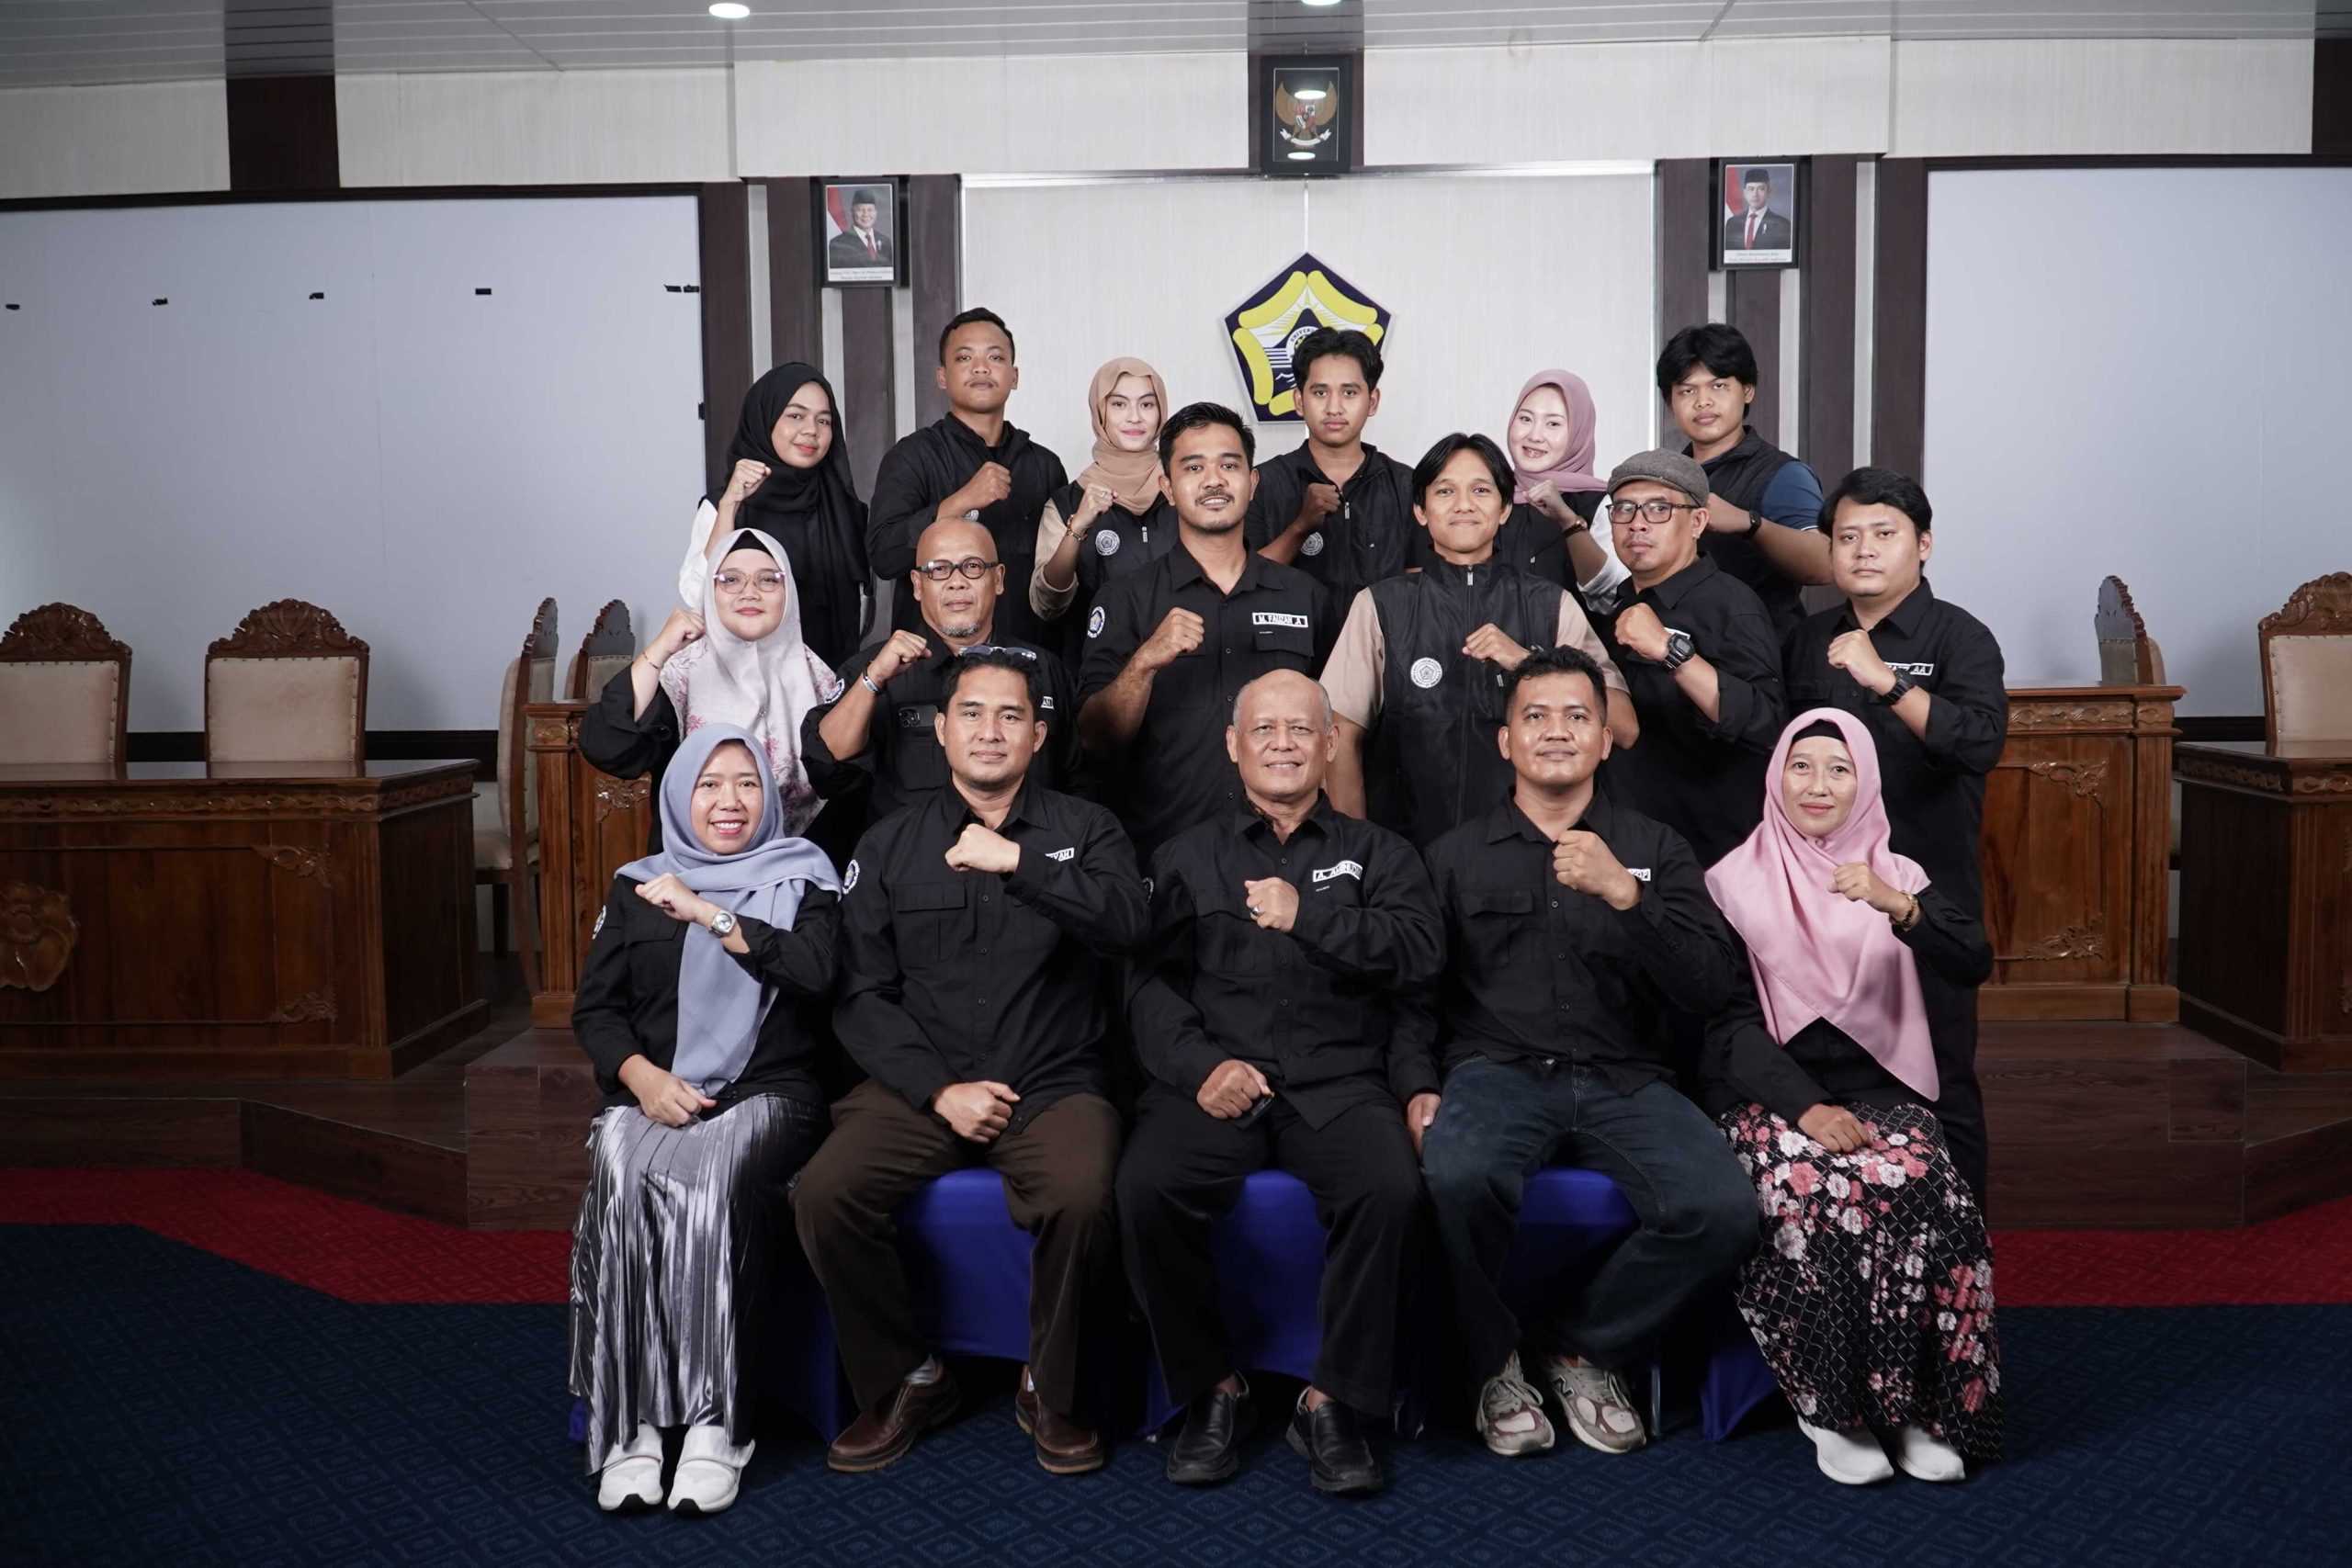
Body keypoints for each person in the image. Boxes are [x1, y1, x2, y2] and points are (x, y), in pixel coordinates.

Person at [791, 649, 1149, 1477]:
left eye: (1011, 715)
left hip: (1053, 1080)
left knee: (1083, 1192)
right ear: (942, 731)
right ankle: (910, 1377)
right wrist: (938, 1089)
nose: (991, 731)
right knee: (824, 1191)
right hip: (922, 1083)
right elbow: (860, 995)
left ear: (1039, 736)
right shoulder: (888, 843)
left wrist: (1021, 863)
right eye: (973, 714)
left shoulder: (1086, 830)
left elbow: (1131, 924)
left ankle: (1050, 1386)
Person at [1412, 648, 1755, 1460]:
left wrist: (1629, 896)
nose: (1556, 731)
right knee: (1455, 1177)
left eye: (1577, 716)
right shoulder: (1453, 855)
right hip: (1496, 1071)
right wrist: (1415, 1083)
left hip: (1627, 1079)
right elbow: (1414, 992)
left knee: (1724, 1210)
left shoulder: (1655, 847)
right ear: (1506, 741)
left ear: (1605, 738)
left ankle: (1577, 1346)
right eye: (1535, 716)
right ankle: (1493, 1360)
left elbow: (1712, 985)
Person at [1120, 670, 1442, 1496]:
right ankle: (1213, 1387)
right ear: (1233, 745)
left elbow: (1419, 962)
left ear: (1331, 743)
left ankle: (1333, 1399)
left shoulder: (1382, 853)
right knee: (1145, 1187)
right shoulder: (1186, 855)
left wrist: (1310, 916)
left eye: (1301, 729)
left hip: (1341, 1082)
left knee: (1391, 1191)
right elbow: (1147, 989)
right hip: (1217, 1081)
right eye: (1264, 729)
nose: (1283, 744)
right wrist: (1200, 1067)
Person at [1700, 709, 2001, 1484]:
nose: (1819, 784)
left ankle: (1925, 1406)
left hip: (1880, 1090)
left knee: (1928, 1184)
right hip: (1773, 1097)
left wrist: (1900, 907)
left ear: (1865, 782)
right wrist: (1805, 1107)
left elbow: (1973, 959)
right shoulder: (1731, 881)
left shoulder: (1899, 875)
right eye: (1801, 765)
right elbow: (1725, 1026)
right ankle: (1833, 1409)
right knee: (1812, 1189)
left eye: (1840, 769)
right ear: (1776, 776)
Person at [569, 723, 842, 1516]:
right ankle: (632, 1424)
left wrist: (711, 916)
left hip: (767, 1091)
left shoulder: (805, 875)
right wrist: (640, 1075)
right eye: (710, 783)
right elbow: (598, 1011)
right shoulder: (637, 884)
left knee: (709, 1181)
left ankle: (717, 1424)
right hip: (655, 1090)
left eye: (747, 783)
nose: (730, 800)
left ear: (770, 796)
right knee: (621, 1170)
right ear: (679, 796)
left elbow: (818, 972)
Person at [1781, 468, 2006, 1196]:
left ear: (1924, 544)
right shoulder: (1808, 638)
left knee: (1942, 1075)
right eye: (1847, 536)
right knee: (1836, 1072)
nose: (1864, 550)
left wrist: (1889, 681)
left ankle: (1963, 1240)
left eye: (1884, 534)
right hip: (1826, 897)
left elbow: (1979, 744)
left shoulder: (1962, 636)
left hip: (1924, 893)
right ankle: (1865, 1235)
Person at [1322, 432, 1634, 848]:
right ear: (1420, 510)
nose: (1463, 504)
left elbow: (1623, 727)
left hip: (1530, 855)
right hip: (1406, 853)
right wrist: (1357, 853)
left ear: (1504, 509)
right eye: (1445, 491)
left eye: (1481, 490)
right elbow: (1340, 737)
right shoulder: (1379, 605)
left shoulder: (1551, 604)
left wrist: (1528, 664)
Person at [1079, 401, 1332, 861]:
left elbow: (1336, 734)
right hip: (1162, 857)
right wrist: (1144, 663)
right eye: (1193, 467)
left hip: (1287, 857)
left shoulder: (1306, 597)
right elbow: (1095, 739)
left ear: (1252, 483)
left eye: (1229, 465)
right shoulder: (1125, 599)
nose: (1214, 480)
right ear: (1168, 488)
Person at [806, 517, 1084, 825]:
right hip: (912, 852)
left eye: (973, 566)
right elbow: (826, 772)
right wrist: (873, 681)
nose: (956, 582)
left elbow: (1077, 786)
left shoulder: (1044, 669)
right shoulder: (873, 667)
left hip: (1025, 850)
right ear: (917, 584)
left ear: (998, 579)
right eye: (939, 569)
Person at [584, 528, 840, 850]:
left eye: (768, 580)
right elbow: (608, 747)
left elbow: (844, 780)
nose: (749, 592)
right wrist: (660, 650)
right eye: (731, 580)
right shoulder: (681, 673)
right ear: (710, 590)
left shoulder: (819, 677)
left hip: (798, 861)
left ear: (788, 591)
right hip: (691, 867)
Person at [1594, 450, 1785, 866]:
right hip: (1627, 839)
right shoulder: (1620, 604)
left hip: (1708, 850)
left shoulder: (1730, 604)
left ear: (1697, 522)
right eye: (1624, 509)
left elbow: (1766, 725)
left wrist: (1671, 652)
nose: (1637, 523)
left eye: (1659, 508)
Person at [868, 309, 1067, 654]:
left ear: (1014, 376)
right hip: (933, 660)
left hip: (1028, 657)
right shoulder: (912, 456)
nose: (981, 368)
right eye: (964, 357)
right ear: (942, 376)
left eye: (995, 357)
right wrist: (960, 502)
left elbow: (1059, 576)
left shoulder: (1044, 465)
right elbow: (884, 556)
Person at [678, 363, 869, 669]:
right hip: (742, 680)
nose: (811, 430)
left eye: (824, 420)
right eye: (795, 416)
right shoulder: (725, 504)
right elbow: (697, 597)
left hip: (833, 679)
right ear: (764, 420)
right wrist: (730, 505)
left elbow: (860, 611)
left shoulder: (844, 510)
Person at [1657, 322, 1828, 639]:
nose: (1703, 401)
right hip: (1679, 646)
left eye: (1718, 386)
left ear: (1747, 390)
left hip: (1760, 651)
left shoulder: (1783, 474)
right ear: (1670, 403)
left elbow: (1824, 563)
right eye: (1687, 390)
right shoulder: (1663, 477)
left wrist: (1749, 524)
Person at [1241, 328, 1415, 617]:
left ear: (1372, 401)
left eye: (1349, 392)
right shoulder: (1262, 483)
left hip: (1382, 645)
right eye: (1320, 392)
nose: (1334, 408)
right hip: (1291, 646)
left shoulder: (1406, 485)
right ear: (1299, 401)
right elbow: (1240, 585)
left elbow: (1421, 593)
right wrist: (1300, 527)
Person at [1030, 356, 1179, 625]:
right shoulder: (1066, 503)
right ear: (1100, 412)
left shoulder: (1182, 489)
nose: (1135, 417)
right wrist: (1077, 528)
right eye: (1119, 404)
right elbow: (1047, 604)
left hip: (1187, 647)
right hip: (1100, 650)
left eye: (1147, 404)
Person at [1496, 370, 1631, 615]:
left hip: (1571, 639)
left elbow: (1615, 594)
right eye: (1525, 419)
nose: (1535, 435)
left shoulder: (1598, 503)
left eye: (1553, 424)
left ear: (1579, 432)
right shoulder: (1492, 495)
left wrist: (1568, 520)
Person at [1722, 167, 1792, 254]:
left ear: (1769, 192)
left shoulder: (1782, 225)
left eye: (1761, 189)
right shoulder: (1732, 223)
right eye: (1751, 189)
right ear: (1745, 193)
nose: (1755, 194)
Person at [828, 189, 894, 270]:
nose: (865, 214)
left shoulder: (885, 241)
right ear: (852, 212)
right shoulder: (838, 244)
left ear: (875, 213)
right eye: (860, 210)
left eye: (870, 210)